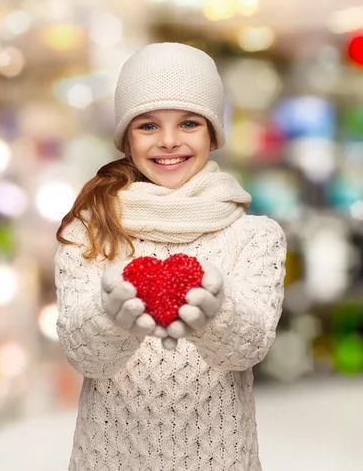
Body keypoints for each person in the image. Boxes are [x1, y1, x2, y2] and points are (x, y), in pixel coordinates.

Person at [54, 43, 287, 470]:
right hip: (111, 458)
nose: (168, 141)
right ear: (126, 135)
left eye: (188, 123)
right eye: (147, 125)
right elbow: (83, 355)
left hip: (220, 459)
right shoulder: (90, 231)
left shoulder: (255, 236)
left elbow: (249, 349)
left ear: (213, 134)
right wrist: (112, 315)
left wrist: (215, 313)